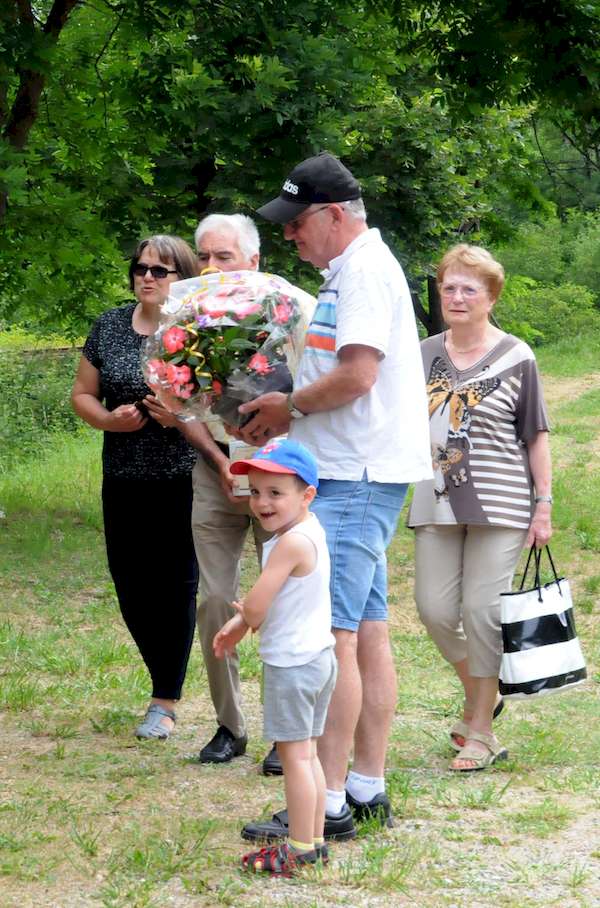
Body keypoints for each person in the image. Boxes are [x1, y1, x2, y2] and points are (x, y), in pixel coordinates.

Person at [233, 153, 432, 842]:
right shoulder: (349, 273)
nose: (290, 236)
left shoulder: (367, 273)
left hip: (356, 474)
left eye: (297, 223)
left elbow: (356, 376)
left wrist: (287, 407)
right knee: (368, 631)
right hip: (358, 471)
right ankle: (366, 785)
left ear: (337, 216)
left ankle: (330, 801)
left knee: (335, 638)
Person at [407, 243, 553, 771]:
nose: (457, 296)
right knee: (436, 609)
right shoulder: (421, 354)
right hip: (436, 498)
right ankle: (480, 695)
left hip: (502, 500)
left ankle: (481, 734)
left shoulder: (517, 356)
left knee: (482, 611)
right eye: (449, 286)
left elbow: (535, 434)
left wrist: (544, 504)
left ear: (491, 296)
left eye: (470, 287)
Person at [181, 214, 314, 771]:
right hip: (215, 468)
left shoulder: (295, 308)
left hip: (280, 474)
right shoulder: (184, 314)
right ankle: (229, 725)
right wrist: (217, 459)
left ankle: (289, 735)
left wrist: (273, 456)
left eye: (224, 258)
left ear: (254, 261)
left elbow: (314, 393)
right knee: (215, 600)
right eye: (204, 258)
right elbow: (174, 396)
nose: (211, 269)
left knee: (285, 602)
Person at [71, 234, 200, 740]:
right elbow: (82, 393)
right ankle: (160, 677)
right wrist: (108, 420)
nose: (147, 276)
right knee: (130, 585)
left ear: (181, 279)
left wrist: (179, 417)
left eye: (160, 270)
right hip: (122, 476)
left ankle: (164, 698)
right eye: (141, 267)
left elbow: (220, 405)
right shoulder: (109, 325)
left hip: (182, 476)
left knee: (175, 587)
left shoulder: (196, 331)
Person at [213, 439, 336, 876]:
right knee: (309, 755)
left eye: (276, 493)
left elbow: (260, 603)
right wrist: (243, 620)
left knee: (295, 758)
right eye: (256, 491)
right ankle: (315, 839)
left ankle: (300, 848)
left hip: (293, 664)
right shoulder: (309, 530)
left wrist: (244, 620)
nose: (263, 502)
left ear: (307, 495)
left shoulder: (287, 545)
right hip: (319, 658)